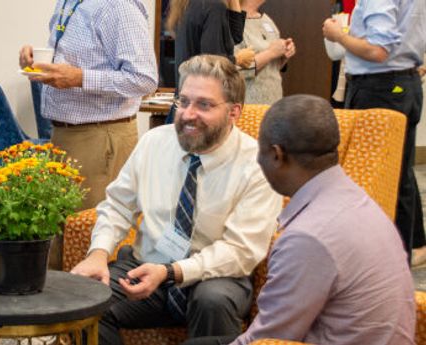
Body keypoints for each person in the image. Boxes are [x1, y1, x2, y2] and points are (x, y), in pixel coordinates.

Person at [70, 55, 281, 345]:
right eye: (183, 101)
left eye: (204, 104)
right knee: (86, 302)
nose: (188, 114)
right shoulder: (154, 142)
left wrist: (173, 272)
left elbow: (240, 250)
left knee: (213, 300)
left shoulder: (256, 164)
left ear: (234, 112)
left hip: (213, 277)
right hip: (146, 265)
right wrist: (98, 252)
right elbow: (118, 205)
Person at [186, 95, 417, 345]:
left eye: (259, 151)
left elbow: (270, 338)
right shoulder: (357, 201)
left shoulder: (308, 236)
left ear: (276, 155)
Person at [18, 0, 158, 210]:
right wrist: (38, 62)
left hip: (100, 138)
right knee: (65, 235)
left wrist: (80, 78)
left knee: (90, 234)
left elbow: (143, 78)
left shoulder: (118, 5)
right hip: (65, 134)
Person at [323, 0, 426, 262]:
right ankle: (403, 253)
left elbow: (378, 50)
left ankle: (381, 260)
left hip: (380, 87)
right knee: (399, 172)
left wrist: (339, 36)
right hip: (404, 83)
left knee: (369, 177)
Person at [166, 0, 254, 85]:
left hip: (187, 88)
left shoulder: (187, 4)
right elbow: (211, 61)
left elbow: (235, 36)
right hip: (204, 91)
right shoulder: (213, 6)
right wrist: (238, 59)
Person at [234, 0, 295, 104]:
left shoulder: (266, 20)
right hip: (249, 104)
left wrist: (283, 55)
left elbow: (272, 68)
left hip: (274, 100)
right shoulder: (233, 22)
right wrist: (271, 53)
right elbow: (234, 70)